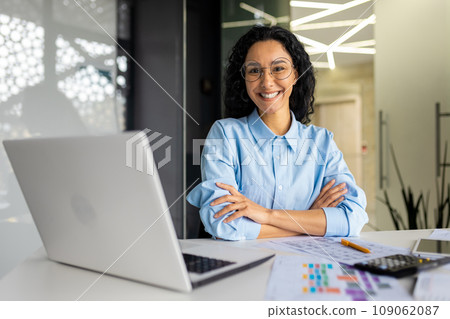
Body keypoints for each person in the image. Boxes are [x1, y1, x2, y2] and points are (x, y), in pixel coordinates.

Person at [187, 25, 368, 241]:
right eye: (254, 70)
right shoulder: (225, 135)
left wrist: (266, 215)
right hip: (246, 267)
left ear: (296, 74)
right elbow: (224, 224)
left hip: (305, 266)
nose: (266, 81)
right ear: (244, 79)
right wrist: (309, 220)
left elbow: (353, 219)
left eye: (278, 68)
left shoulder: (321, 142)